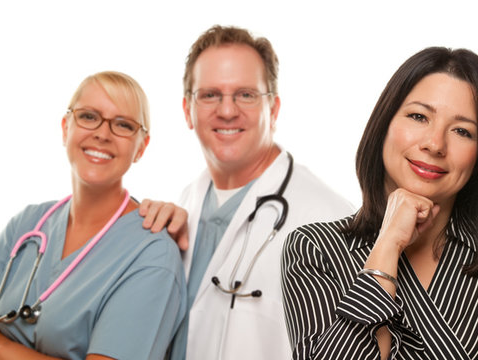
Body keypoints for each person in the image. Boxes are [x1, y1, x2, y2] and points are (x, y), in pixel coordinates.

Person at [282, 47, 478, 359]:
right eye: (418, 116)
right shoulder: (315, 249)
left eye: (463, 131)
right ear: (384, 124)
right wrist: (387, 247)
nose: (435, 144)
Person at [138, 25, 353, 360]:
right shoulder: (186, 202)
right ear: (187, 110)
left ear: (274, 109)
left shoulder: (331, 221)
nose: (227, 111)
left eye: (246, 94)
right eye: (210, 95)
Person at [0, 71, 186, 359]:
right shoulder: (28, 224)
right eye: (89, 116)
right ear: (65, 127)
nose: (102, 134)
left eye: (123, 125)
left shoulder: (152, 255)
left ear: (141, 148)